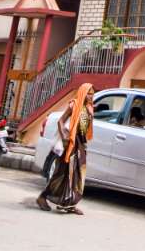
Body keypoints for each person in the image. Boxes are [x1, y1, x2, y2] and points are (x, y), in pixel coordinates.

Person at [36, 83, 94, 214]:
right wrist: (64, 139)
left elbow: (85, 129)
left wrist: (84, 144)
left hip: (80, 144)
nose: (91, 96)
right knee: (61, 173)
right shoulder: (74, 105)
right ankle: (42, 197)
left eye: (92, 94)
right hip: (70, 143)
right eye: (88, 94)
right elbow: (60, 121)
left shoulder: (89, 108)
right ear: (82, 93)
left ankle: (69, 204)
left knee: (77, 175)